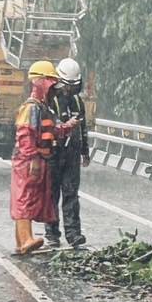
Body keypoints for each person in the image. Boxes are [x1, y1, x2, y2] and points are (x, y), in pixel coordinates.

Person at [10, 61, 60, 255]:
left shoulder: (41, 107)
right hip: (27, 160)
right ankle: (25, 240)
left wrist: (66, 128)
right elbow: (26, 135)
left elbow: (50, 130)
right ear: (39, 82)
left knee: (27, 197)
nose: (53, 87)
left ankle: (21, 242)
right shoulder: (31, 108)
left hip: (35, 158)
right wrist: (34, 160)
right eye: (50, 82)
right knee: (25, 198)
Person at [45, 57, 91, 248]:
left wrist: (84, 151)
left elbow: (83, 128)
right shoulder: (50, 100)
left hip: (72, 153)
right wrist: (63, 125)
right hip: (54, 152)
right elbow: (48, 124)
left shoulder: (78, 102)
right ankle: (52, 233)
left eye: (73, 86)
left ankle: (73, 234)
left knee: (71, 193)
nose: (69, 90)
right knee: (53, 193)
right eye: (67, 86)